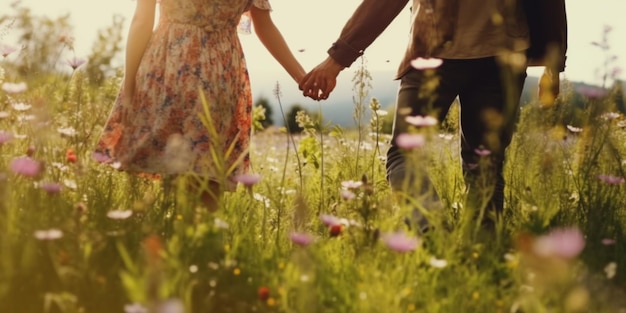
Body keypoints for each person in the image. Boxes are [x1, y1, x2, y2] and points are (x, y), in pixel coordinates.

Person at [299, 0, 567, 230]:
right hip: (505, 51)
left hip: (436, 50)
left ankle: (433, 229)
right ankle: (483, 255)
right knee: (485, 164)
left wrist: (336, 60)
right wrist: (554, 61)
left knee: (403, 155)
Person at [95, 0, 306, 210]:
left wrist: (130, 82)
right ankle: (204, 235)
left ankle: (172, 231)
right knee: (208, 167)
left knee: (173, 160)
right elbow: (265, 25)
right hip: (221, 72)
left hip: (172, 63)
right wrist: (301, 77)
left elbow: (142, 20)